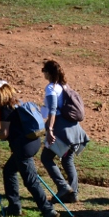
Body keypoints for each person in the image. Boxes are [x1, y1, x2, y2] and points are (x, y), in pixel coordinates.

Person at [0, 80, 59, 217]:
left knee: (31, 181)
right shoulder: (18, 103)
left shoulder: (5, 108)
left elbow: (4, 134)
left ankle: (48, 210)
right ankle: (14, 207)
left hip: (23, 148)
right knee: (9, 170)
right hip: (33, 142)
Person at [41, 60, 90, 204]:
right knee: (68, 160)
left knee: (46, 158)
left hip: (62, 131)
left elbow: (53, 110)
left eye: (43, 70)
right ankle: (73, 194)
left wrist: (50, 129)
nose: (42, 72)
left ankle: (63, 187)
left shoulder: (51, 88)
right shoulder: (64, 86)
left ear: (49, 73)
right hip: (75, 130)